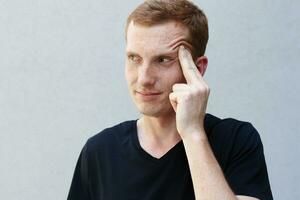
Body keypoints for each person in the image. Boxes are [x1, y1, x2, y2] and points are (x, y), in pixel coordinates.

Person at [67, 0, 273, 199]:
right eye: (134, 58)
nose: (144, 78)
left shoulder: (236, 141)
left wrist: (192, 133)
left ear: (197, 68)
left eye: (163, 60)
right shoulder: (100, 151)